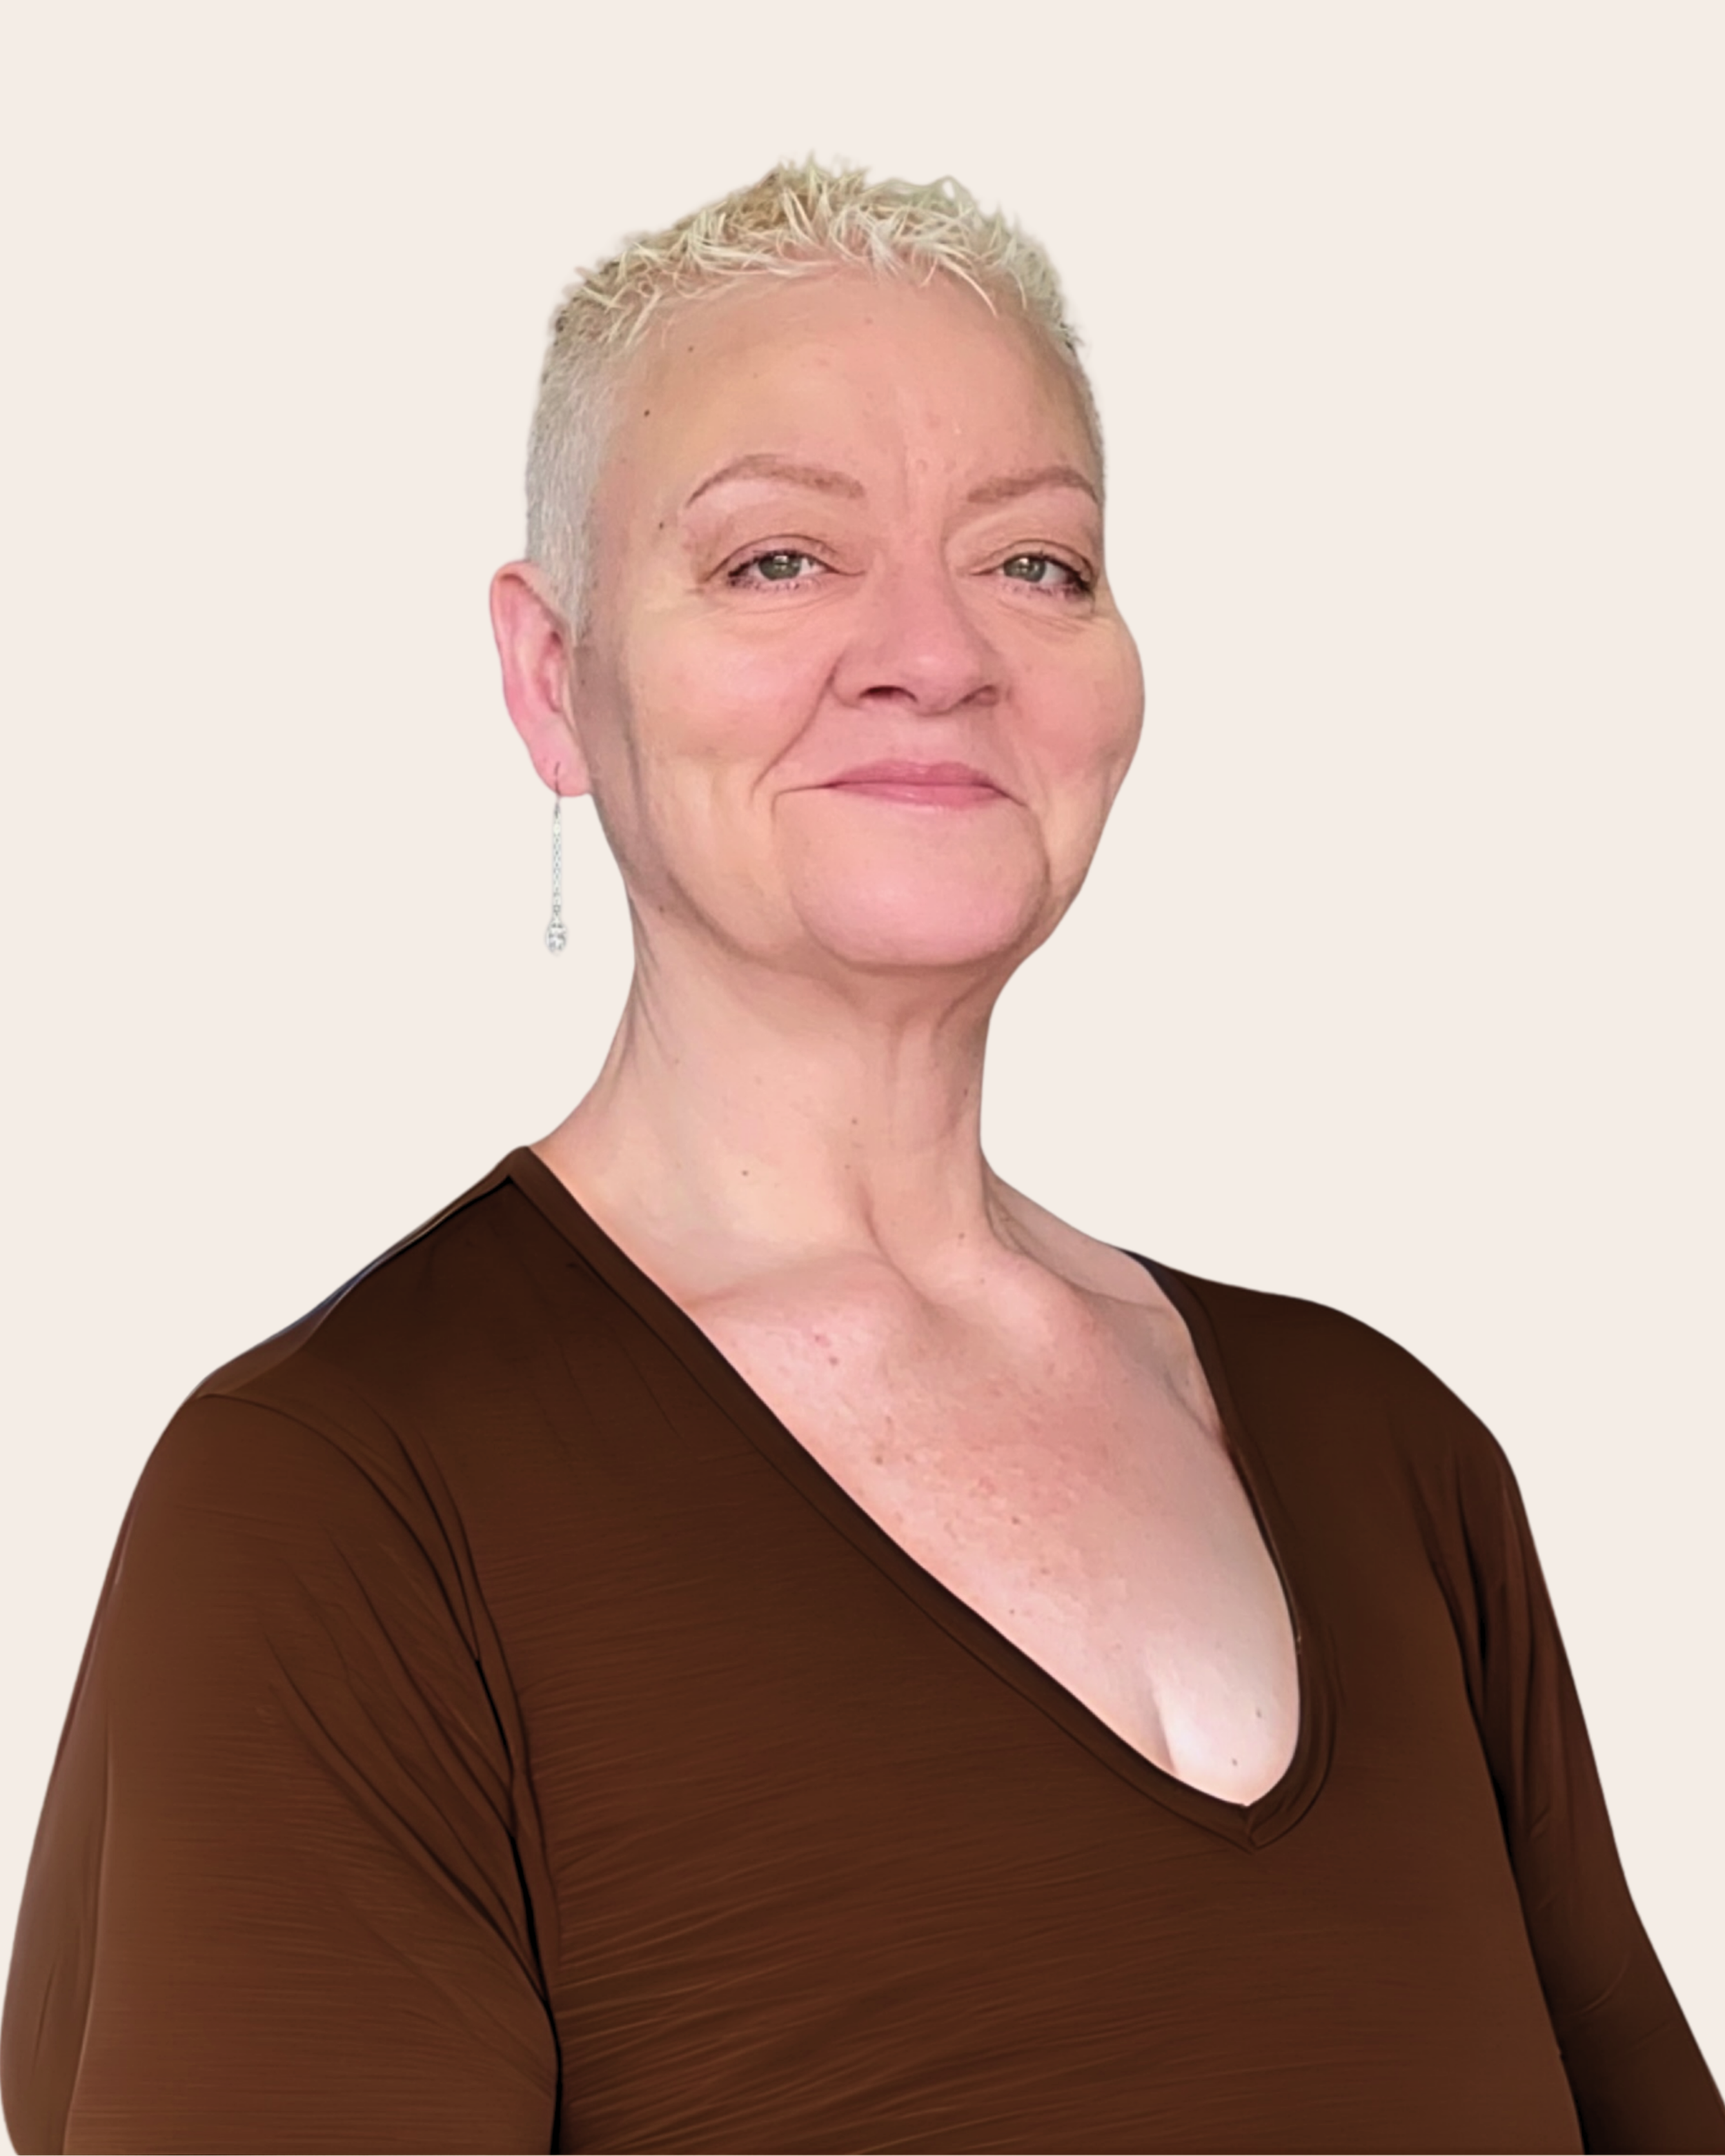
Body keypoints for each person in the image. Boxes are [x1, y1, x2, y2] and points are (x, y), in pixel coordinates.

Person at [3, 156, 1720, 2156]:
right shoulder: (344, 1500)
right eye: (776, 561)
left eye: (1034, 563)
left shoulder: (1391, 1455)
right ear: (551, 680)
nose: (938, 651)